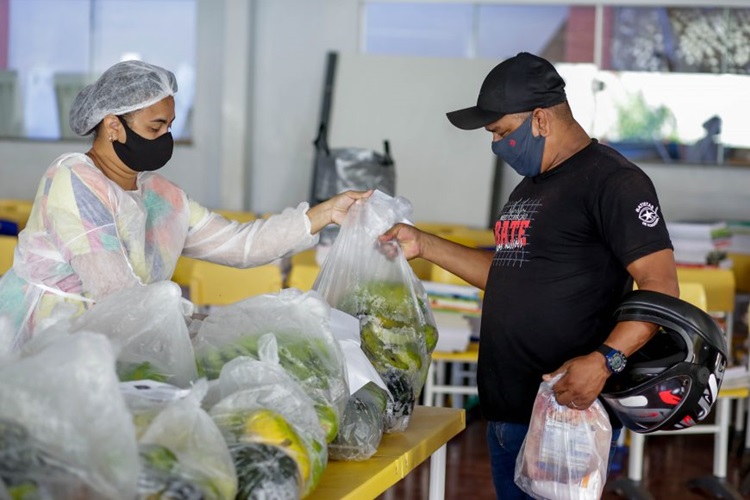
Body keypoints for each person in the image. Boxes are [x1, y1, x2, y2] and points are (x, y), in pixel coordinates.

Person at [380, 52, 679, 498]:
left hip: (564, 414)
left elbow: (661, 287)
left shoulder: (613, 181)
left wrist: (605, 360)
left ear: (540, 119)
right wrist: (424, 244)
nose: (496, 145)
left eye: (500, 132)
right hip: (507, 410)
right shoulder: (532, 184)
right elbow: (509, 274)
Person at [0, 60, 370, 352]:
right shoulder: (74, 180)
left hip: (115, 345)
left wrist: (326, 212)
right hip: (46, 346)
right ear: (113, 125)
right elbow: (114, 291)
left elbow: (242, 245)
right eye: (155, 127)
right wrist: (200, 327)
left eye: (170, 127)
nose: (165, 139)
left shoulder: (161, 197)